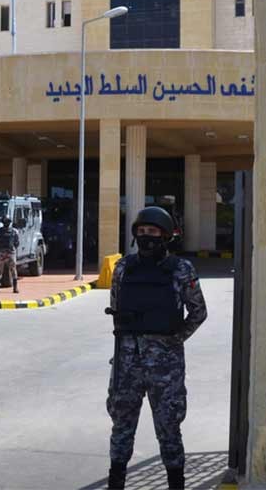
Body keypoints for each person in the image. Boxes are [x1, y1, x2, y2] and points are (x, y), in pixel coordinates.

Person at [104, 206, 207, 490]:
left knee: (169, 427)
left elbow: (198, 312)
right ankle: (116, 482)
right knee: (121, 425)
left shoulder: (181, 269)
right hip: (127, 363)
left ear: (165, 236)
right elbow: (116, 307)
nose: (146, 237)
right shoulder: (124, 268)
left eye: (152, 232)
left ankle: (176, 483)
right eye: (141, 232)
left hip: (166, 367)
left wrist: (175, 340)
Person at [0, 216, 20, 293]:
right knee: (11, 270)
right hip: (9, 252)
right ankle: (14, 288)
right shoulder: (14, 231)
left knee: (0, 270)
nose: (6, 223)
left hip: (4, 252)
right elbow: (17, 242)